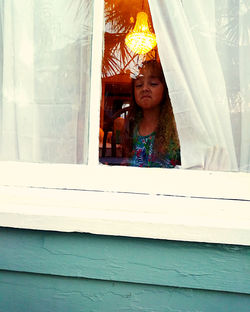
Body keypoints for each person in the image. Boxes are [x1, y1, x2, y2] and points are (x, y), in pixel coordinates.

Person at [123, 60, 180, 168]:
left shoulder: (176, 129)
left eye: (153, 84)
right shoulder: (131, 127)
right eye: (139, 85)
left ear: (165, 89)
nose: (145, 89)